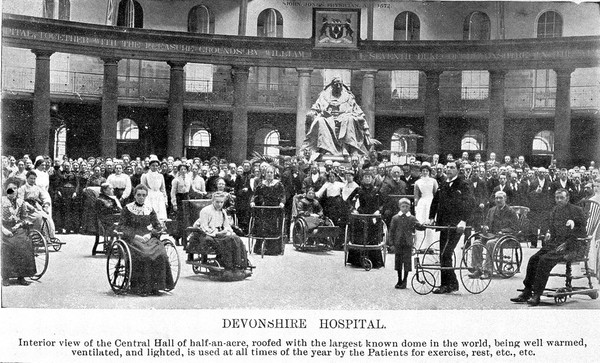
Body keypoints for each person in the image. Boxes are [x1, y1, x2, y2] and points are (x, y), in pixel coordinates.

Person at [511, 189, 586, 306]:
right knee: (533, 259)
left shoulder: (576, 210)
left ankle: (537, 294)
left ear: (567, 198)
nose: (559, 200)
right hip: (555, 244)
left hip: (572, 246)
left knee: (544, 260)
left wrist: (567, 243)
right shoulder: (555, 210)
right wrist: (550, 233)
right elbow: (553, 229)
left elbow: (582, 233)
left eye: (561, 197)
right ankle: (527, 291)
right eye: (557, 198)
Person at [117, 185, 175, 296]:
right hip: (132, 238)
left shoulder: (149, 209)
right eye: (139, 195)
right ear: (134, 195)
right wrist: (135, 236)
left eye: (143, 195)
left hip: (148, 237)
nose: (141, 197)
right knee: (145, 255)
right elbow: (121, 227)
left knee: (161, 254)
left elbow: (157, 226)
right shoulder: (127, 209)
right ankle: (141, 287)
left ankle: (157, 286)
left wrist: (150, 234)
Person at [429, 161, 475, 294]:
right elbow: (435, 201)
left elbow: (470, 203)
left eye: (452, 168)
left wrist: (463, 220)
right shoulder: (443, 184)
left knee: (446, 253)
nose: (448, 170)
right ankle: (450, 284)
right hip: (444, 224)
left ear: (457, 170)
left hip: (456, 225)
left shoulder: (464, 184)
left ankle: (448, 284)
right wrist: (432, 217)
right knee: (443, 253)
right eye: (447, 167)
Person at [302, 77, 373, 161]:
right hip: (328, 117)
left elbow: (357, 110)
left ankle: (348, 148)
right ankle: (325, 149)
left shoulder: (348, 97)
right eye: (336, 84)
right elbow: (315, 108)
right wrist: (313, 113)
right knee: (320, 121)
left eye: (340, 84)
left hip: (345, 117)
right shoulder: (324, 96)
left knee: (350, 119)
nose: (338, 86)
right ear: (332, 85)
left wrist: (361, 119)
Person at [185, 192, 251, 280]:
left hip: (220, 232)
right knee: (228, 240)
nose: (219, 204)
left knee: (236, 239)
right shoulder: (205, 211)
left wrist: (228, 231)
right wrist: (216, 233)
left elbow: (227, 225)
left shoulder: (223, 212)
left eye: (221, 202)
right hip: (206, 233)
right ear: (212, 201)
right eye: (217, 202)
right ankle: (229, 267)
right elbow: (204, 227)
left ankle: (240, 266)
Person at [469, 191, 518, 278]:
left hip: (504, 237)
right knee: (476, 243)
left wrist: (503, 231)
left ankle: (488, 270)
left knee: (490, 243)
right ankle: (478, 268)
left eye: (500, 198)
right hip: (490, 235)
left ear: (505, 199)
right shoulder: (491, 210)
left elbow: (515, 228)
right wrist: (485, 227)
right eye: (496, 198)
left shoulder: (511, 212)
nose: (498, 200)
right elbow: (486, 223)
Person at [2, 180, 37, 286]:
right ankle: (6, 277)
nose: (12, 190)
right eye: (10, 188)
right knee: (8, 245)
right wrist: (4, 229)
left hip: (17, 227)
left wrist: (18, 225)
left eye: (15, 188)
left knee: (25, 243)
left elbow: (24, 217)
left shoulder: (21, 202)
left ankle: (21, 276)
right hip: (4, 228)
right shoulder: (1, 201)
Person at [250, 166, 286, 255]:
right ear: (264, 174)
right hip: (263, 208)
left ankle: (273, 249)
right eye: (268, 172)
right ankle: (259, 247)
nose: (269, 174)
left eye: (271, 173)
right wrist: (253, 202)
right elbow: (255, 194)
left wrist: (282, 202)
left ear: (274, 174)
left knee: (273, 226)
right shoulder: (261, 184)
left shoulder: (278, 184)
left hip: (275, 209)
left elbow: (283, 195)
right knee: (261, 225)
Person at [388, 198, 423, 289]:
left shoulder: (411, 218)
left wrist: (423, 226)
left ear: (409, 207)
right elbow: (391, 231)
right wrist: (391, 243)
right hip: (398, 243)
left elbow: (418, 225)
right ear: (399, 207)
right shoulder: (395, 218)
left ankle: (405, 280)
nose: (405, 208)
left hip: (407, 243)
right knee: (398, 262)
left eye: (407, 207)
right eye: (403, 206)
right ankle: (399, 279)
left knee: (407, 262)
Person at [413, 164, 438, 249]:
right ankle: (421, 246)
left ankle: (431, 245)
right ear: (421, 172)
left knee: (430, 221)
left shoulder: (433, 181)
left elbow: (436, 193)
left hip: (431, 202)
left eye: (426, 171)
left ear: (429, 172)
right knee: (421, 221)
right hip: (422, 203)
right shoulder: (417, 182)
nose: (425, 172)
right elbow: (416, 196)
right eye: (423, 171)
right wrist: (416, 206)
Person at [140, 156, 168, 221]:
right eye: (153, 165)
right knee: (150, 213)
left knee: (160, 215)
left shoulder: (160, 176)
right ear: (149, 166)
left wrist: (165, 200)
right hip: (149, 196)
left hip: (159, 196)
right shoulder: (145, 176)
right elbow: (142, 188)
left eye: (156, 165)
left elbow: (163, 189)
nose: (155, 167)